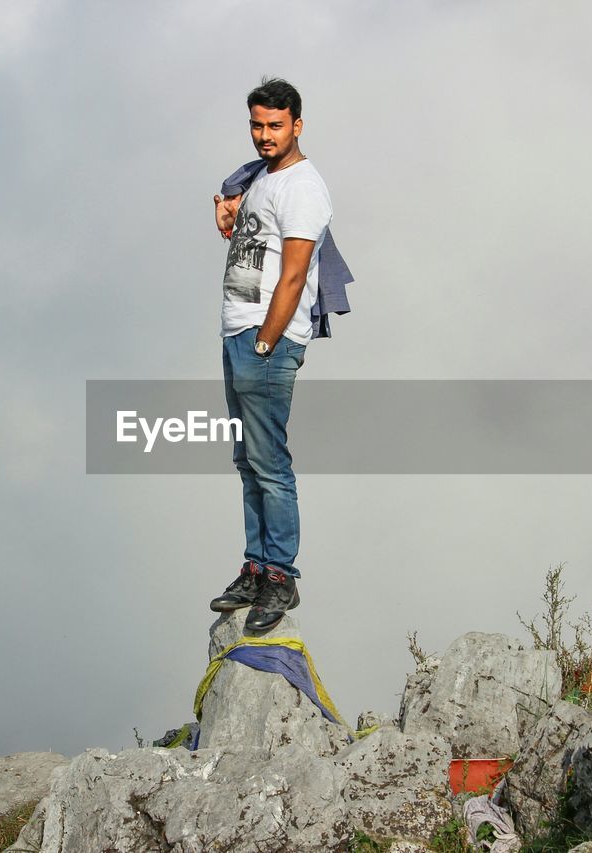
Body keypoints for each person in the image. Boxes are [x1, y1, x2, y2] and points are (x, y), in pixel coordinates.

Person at [208, 78, 333, 632]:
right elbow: (256, 245)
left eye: (275, 125)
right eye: (257, 125)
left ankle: (279, 576)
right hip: (238, 329)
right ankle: (257, 566)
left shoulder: (303, 186)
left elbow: (295, 272)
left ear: (297, 125)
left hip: (268, 337)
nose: (264, 135)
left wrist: (267, 340)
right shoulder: (261, 179)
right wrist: (229, 221)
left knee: (270, 464)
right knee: (247, 459)